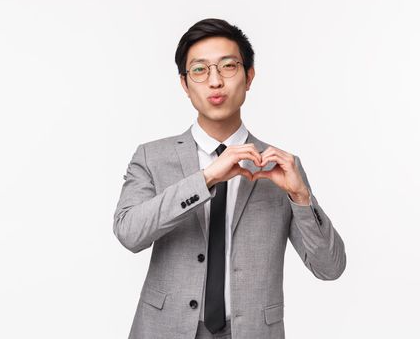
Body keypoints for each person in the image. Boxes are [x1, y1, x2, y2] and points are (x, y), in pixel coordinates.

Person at [113, 18, 346, 339]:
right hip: (165, 330)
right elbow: (129, 234)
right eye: (199, 70)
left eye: (228, 66)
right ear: (184, 83)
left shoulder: (282, 167)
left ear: (249, 76)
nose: (215, 81)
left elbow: (330, 268)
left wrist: (301, 197)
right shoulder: (151, 157)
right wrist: (206, 178)